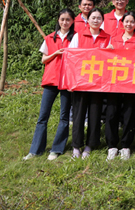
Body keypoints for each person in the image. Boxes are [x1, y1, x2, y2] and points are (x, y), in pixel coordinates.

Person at [23, 9, 76, 161]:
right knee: (43, 116)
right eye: (62, 19)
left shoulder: (76, 38)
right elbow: (43, 59)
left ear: (72, 21)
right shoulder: (49, 38)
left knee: (64, 116)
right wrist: (56, 53)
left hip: (67, 81)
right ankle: (35, 150)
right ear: (58, 20)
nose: (65, 22)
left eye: (68, 19)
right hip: (51, 80)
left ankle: (57, 149)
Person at [68, 8, 111, 159]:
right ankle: (76, 145)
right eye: (93, 18)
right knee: (78, 114)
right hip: (80, 82)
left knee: (95, 114)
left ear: (102, 21)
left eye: (99, 18)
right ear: (88, 19)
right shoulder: (79, 36)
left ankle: (90, 145)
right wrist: (71, 81)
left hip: (98, 83)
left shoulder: (108, 38)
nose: (96, 20)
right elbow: (71, 58)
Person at [105, 11, 135, 161]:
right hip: (114, 82)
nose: (129, 24)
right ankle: (112, 146)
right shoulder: (114, 39)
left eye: (132, 22)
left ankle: (126, 145)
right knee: (112, 113)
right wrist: (108, 50)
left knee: (129, 114)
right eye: (126, 21)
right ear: (122, 23)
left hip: (132, 83)